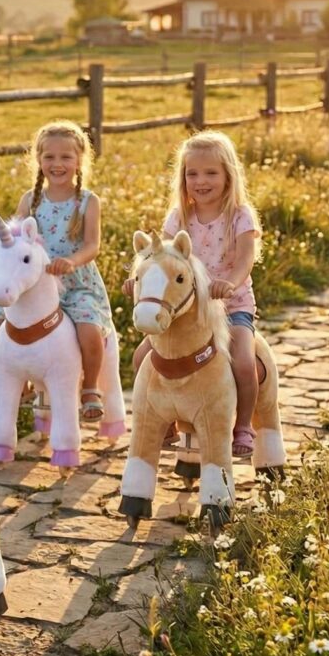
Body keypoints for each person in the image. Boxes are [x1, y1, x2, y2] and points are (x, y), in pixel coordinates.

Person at [126, 131, 262, 457]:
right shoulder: (179, 217)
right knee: (141, 358)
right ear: (183, 178)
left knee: (244, 362)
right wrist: (138, 279)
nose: (201, 181)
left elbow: (245, 259)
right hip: (184, 311)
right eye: (192, 173)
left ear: (228, 175)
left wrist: (228, 282)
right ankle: (165, 421)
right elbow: (159, 258)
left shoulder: (240, 215)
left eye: (211, 173)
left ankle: (242, 425)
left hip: (230, 306)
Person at [0, 119, 114, 421]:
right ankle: (20, 379)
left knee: (89, 330)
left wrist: (72, 261)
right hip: (30, 286)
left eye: (66, 157)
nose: (57, 163)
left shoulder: (88, 202)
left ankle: (89, 387)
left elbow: (93, 245)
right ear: (38, 160)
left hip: (74, 282)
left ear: (79, 161)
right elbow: (10, 240)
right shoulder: (31, 200)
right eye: (49, 157)